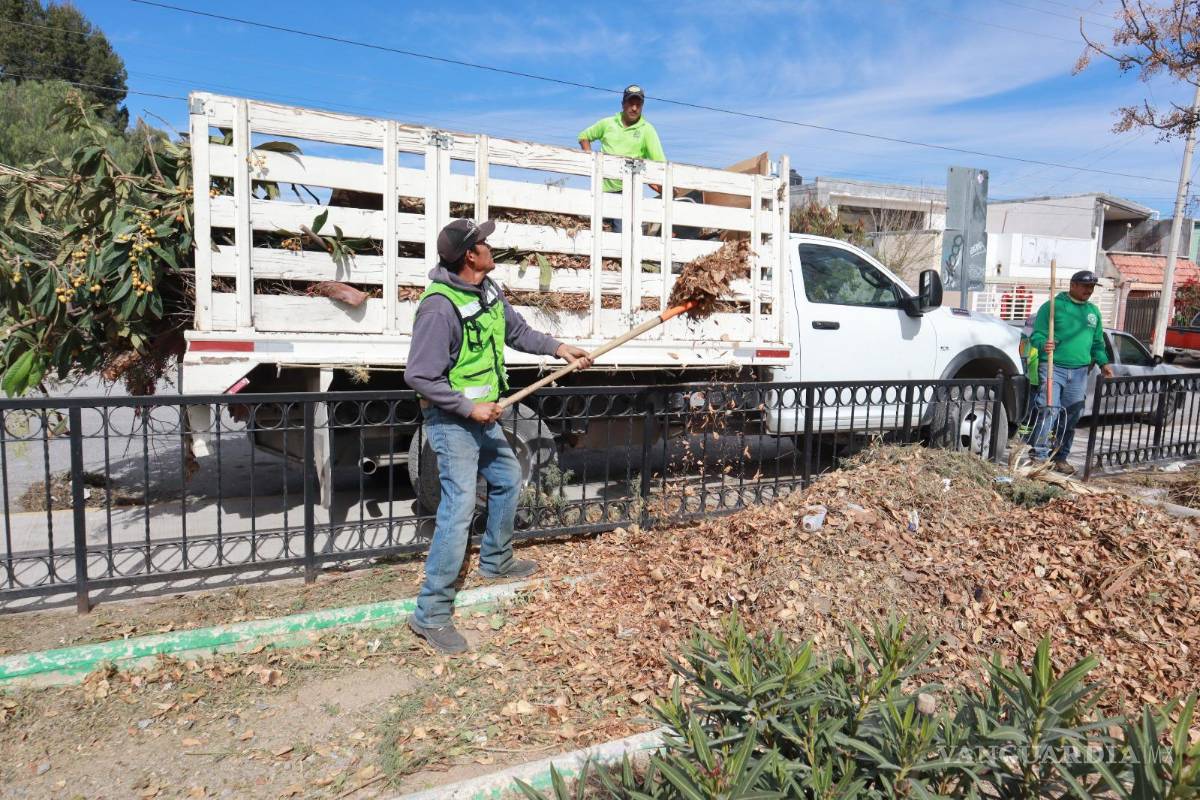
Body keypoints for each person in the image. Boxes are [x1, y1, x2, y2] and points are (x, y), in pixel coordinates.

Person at [403, 219, 592, 653]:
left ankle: (495, 560)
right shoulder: (439, 307)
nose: (490, 247)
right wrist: (469, 407)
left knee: (507, 479)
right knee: (458, 507)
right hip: (452, 423)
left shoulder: (488, 291)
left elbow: (517, 332)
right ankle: (429, 615)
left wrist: (559, 349)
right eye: (483, 243)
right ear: (470, 255)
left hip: (484, 418)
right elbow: (419, 375)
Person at [1027, 270, 1114, 473]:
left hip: (1080, 372)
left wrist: (1104, 363)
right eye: (1085, 286)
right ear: (1073, 285)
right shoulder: (1053, 307)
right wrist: (1043, 344)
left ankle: (1060, 456)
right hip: (1052, 367)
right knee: (1049, 409)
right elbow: (1036, 335)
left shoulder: (1093, 312)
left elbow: (1097, 344)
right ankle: (1039, 455)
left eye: (1092, 287)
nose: (1089, 290)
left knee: (1071, 415)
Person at [577, 84, 666, 231]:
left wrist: (664, 188)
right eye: (631, 103)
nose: (634, 108)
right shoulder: (608, 123)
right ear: (623, 104)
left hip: (628, 192)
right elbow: (584, 136)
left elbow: (659, 163)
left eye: (638, 105)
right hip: (601, 190)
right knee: (593, 233)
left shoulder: (647, 130)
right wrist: (590, 159)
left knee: (621, 236)